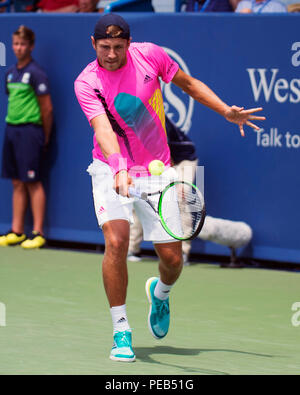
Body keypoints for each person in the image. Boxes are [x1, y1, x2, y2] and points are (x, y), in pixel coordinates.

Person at [74, 13, 265, 363]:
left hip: (157, 170)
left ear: (129, 44)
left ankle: (160, 294)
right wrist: (117, 168)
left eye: (118, 47)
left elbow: (189, 85)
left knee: (173, 259)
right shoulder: (87, 82)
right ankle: (121, 330)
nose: (112, 54)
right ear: (93, 44)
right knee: (116, 241)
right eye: (105, 47)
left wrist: (225, 111)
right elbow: (103, 129)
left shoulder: (152, 55)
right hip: (109, 169)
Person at [0, 26, 53, 249]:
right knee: (16, 182)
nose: (18, 48)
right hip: (11, 130)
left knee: (33, 181)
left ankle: (38, 232)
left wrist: (44, 136)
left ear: (30, 46)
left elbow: (47, 109)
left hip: (31, 131)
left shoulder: (37, 73)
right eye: (15, 44)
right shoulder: (10, 72)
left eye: (22, 44)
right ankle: (17, 230)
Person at [128, 116, 198, 266]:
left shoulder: (154, 120)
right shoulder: (127, 123)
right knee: (139, 198)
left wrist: (175, 182)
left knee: (181, 198)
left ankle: (183, 251)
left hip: (182, 160)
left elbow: (166, 154)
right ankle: (132, 248)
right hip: (153, 162)